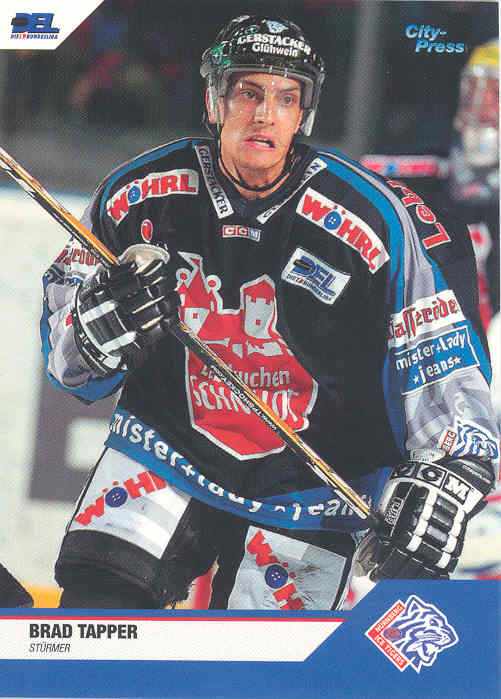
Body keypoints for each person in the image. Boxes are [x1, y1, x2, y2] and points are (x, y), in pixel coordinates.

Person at [41, 15, 498, 610]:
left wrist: (452, 470)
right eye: (248, 93)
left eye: (286, 98)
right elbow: (69, 363)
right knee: (94, 617)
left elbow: (436, 354)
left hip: (313, 491)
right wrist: (90, 330)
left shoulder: (371, 218)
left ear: (304, 113)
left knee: (263, 659)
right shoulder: (137, 194)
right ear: (214, 100)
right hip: (165, 451)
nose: (265, 115)